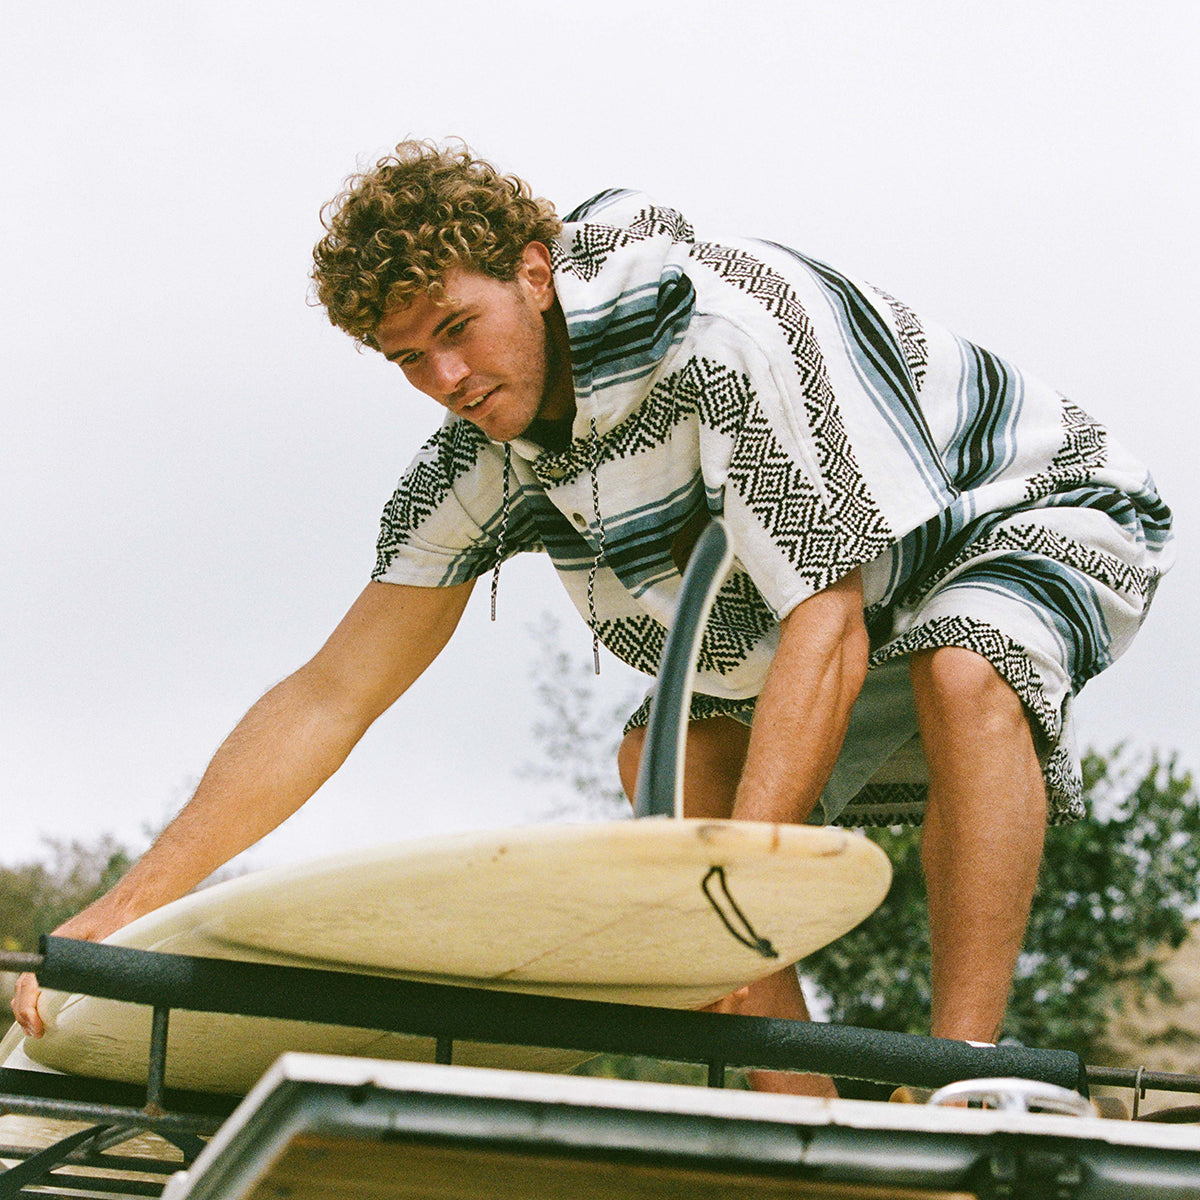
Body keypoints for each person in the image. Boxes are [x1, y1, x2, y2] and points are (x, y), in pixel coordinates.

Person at [11, 141, 1172, 1096]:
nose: (446, 379)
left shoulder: (726, 333)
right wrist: (130, 905)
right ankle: (810, 1119)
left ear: (533, 270)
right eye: (408, 358)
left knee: (963, 664)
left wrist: (739, 899)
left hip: (1018, 506)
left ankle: (965, 1073)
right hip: (840, 590)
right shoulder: (481, 458)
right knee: (667, 765)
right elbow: (333, 692)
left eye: (457, 328)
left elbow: (825, 620)